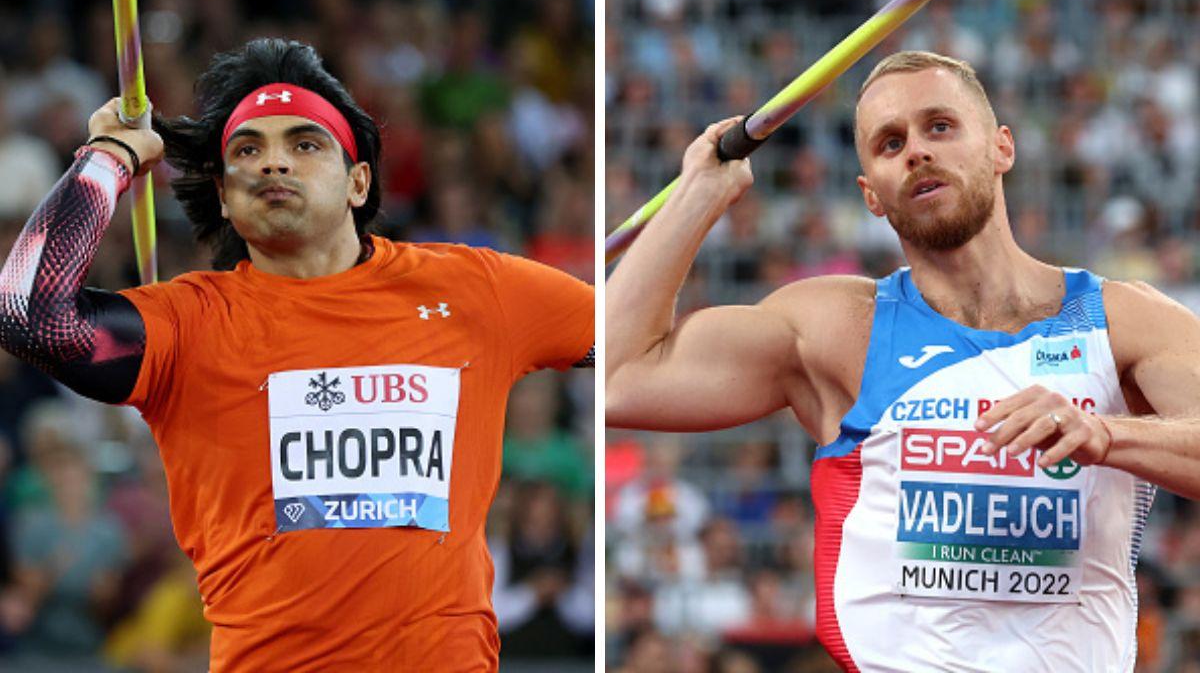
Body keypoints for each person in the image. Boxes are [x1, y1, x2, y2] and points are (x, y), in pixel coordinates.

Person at [0, 38, 594, 671]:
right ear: (225, 197)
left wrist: (695, 190)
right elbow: (25, 313)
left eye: (304, 144)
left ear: (358, 181)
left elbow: (634, 341)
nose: (272, 163)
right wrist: (110, 156)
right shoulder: (189, 323)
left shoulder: (475, 290)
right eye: (247, 150)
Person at [607, 50, 1200, 671]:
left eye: (939, 127)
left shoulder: (1119, 320)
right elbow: (620, 381)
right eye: (890, 144)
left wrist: (1106, 433)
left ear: (1002, 148)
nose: (916, 151)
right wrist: (695, 199)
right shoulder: (840, 329)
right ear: (871, 195)